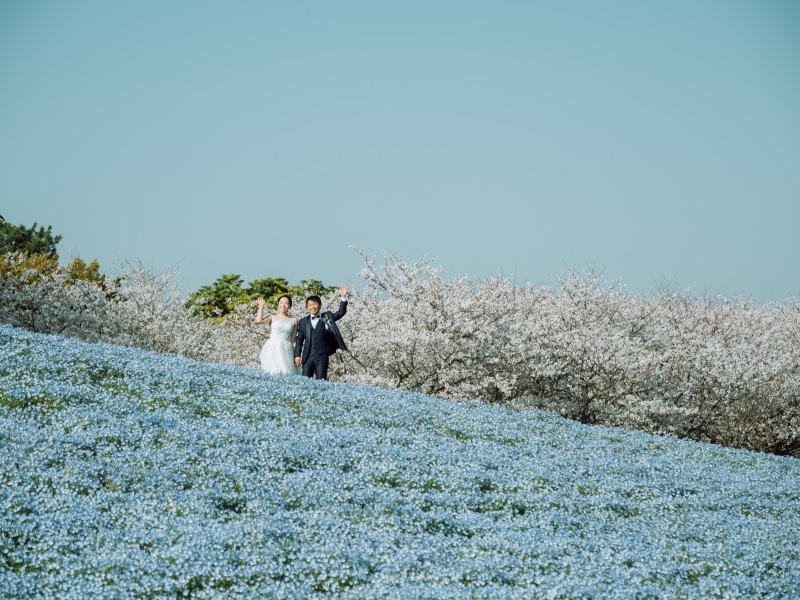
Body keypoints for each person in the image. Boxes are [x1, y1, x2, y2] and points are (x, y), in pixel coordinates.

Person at [294, 285, 349, 380]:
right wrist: (297, 355)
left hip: (322, 355)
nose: (312, 307)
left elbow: (340, 313)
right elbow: (299, 340)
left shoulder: (326, 317)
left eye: (315, 304)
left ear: (319, 305)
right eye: (310, 305)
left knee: (321, 380)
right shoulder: (303, 321)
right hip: (307, 356)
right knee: (305, 381)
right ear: (307, 307)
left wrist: (343, 298)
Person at [255, 294, 301, 375]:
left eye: (286, 303)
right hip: (272, 348)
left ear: (290, 306)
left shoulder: (294, 320)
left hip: (287, 349)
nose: (283, 305)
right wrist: (261, 306)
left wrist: (296, 355)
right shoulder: (273, 318)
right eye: (281, 302)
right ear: (278, 304)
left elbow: (293, 340)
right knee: (272, 371)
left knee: (286, 372)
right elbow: (258, 321)